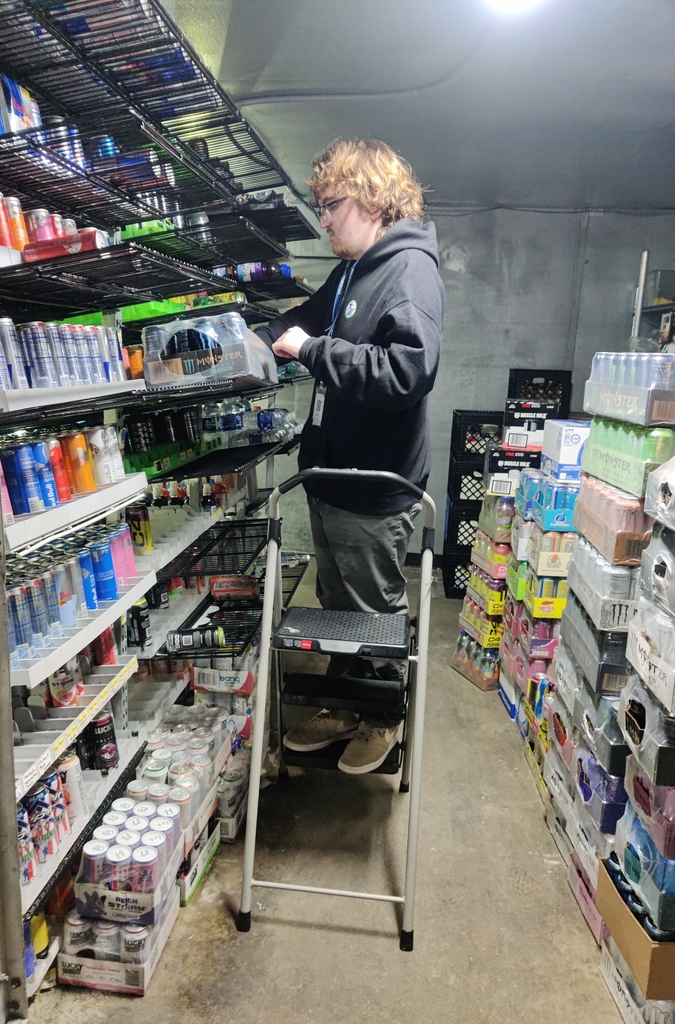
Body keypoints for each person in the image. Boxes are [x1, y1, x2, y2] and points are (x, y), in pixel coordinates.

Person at [256, 137, 444, 774]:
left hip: (374, 487)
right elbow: (300, 323)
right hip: (333, 479)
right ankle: (344, 705)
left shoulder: (409, 271)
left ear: (371, 198)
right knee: (340, 613)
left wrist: (312, 351)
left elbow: (406, 374)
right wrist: (245, 337)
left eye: (332, 205)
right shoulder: (351, 274)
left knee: (371, 613)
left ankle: (383, 717)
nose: (324, 220)